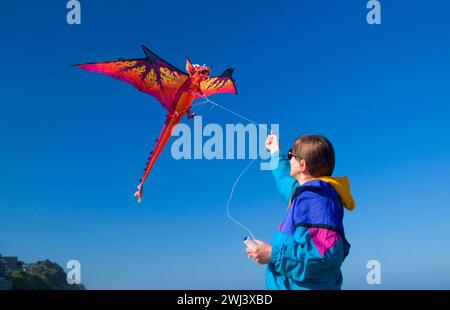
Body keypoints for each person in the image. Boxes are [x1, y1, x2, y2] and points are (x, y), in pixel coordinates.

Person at [246, 133, 355, 290]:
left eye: (291, 154)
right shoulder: (304, 195)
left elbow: (326, 257)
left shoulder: (318, 201)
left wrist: (273, 254)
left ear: (302, 165)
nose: (289, 158)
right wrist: (275, 150)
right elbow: (284, 179)